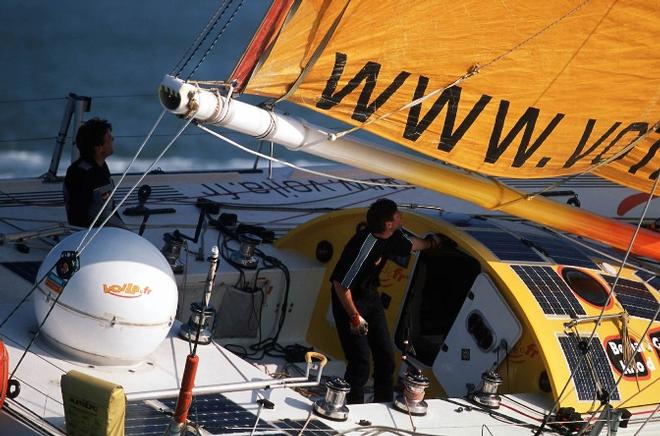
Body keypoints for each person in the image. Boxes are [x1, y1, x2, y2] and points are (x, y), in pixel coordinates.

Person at [330, 198, 444, 404]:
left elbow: (411, 245)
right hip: (348, 302)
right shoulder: (364, 248)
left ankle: (382, 404)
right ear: (388, 224)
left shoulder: (393, 235)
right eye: (397, 214)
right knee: (360, 363)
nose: (401, 215)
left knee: (386, 359)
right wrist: (354, 317)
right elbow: (340, 284)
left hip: (370, 296)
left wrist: (431, 242)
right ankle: (353, 407)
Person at [63, 118, 125, 228]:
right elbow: (79, 218)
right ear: (98, 148)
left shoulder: (101, 166)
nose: (113, 140)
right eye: (109, 138)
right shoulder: (81, 174)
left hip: (105, 225)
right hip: (92, 233)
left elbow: (108, 208)